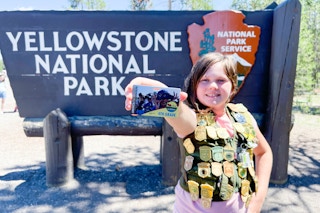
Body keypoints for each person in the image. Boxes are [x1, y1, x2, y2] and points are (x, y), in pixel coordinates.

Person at [124, 52, 273, 213]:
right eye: (204, 80)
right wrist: (146, 87)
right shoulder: (192, 119)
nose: (212, 86)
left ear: (233, 85)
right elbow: (176, 111)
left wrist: (257, 201)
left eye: (221, 80)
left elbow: (264, 152)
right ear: (194, 85)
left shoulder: (243, 116)